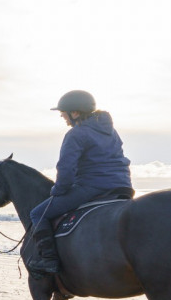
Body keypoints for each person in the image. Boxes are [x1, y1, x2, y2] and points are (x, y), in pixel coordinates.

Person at [25, 90, 133, 275]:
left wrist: (58, 190)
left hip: (92, 187)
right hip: (123, 186)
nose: (62, 117)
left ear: (75, 113)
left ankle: (48, 260)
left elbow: (66, 170)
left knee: (37, 213)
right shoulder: (111, 132)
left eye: (63, 113)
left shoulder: (76, 134)